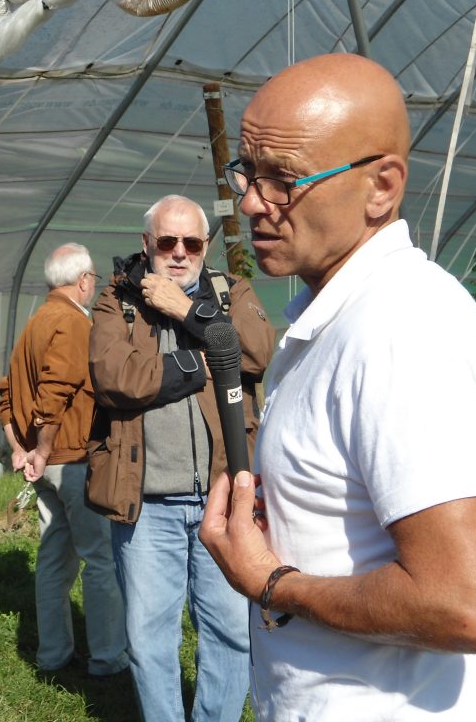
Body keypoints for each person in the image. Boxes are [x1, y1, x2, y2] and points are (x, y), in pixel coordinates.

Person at [199, 53, 476, 721]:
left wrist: (273, 582)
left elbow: (465, 606)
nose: (252, 201)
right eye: (248, 171)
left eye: (284, 179)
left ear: (381, 187)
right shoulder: (347, 316)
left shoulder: (401, 332)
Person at [88, 195, 275, 721]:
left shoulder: (230, 291)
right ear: (147, 243)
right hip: (147, 504)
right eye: (167, 241)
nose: (178, 253)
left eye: (191, 243)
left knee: (231, 631)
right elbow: (114, 377)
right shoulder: (117, 300)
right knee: (150, 640)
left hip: (222, 496)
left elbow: (258, 352)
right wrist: (202, 361)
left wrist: (187, 311)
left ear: (205, 246)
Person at [0, 243, 128, 679]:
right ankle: (108, 658)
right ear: (84, 280)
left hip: (43, 464)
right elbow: (55, 393)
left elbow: (6, 395)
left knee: (54, 560)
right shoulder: (73, 322)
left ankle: (53, 655)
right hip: (69, 460)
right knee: (100, 558)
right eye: (94, 279)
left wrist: (20, 448)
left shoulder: (35, 322)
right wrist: (43, 448)